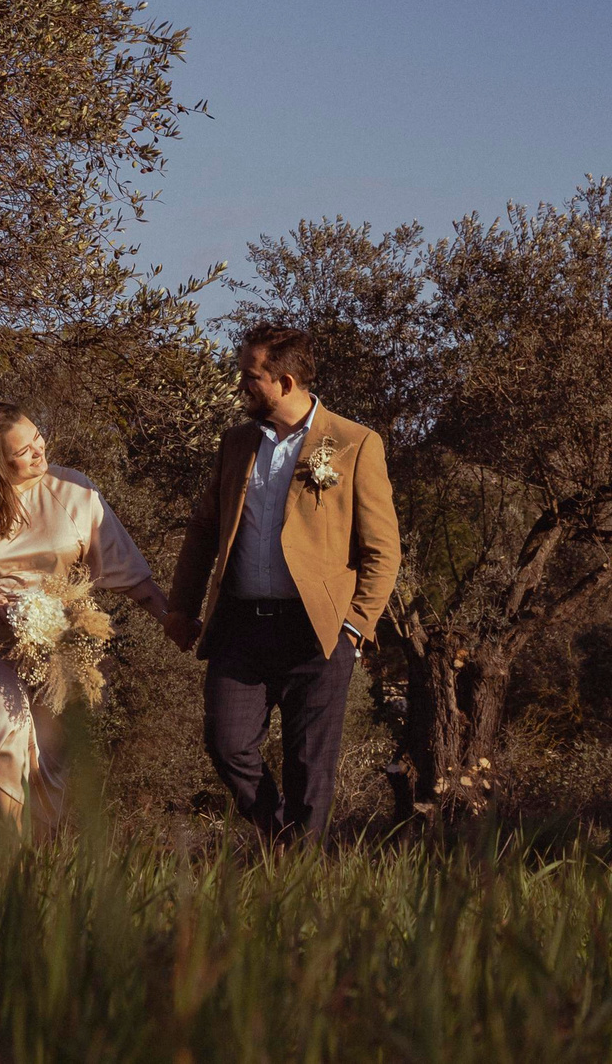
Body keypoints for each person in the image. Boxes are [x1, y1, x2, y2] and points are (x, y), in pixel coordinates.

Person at [168, 324, 400, 844]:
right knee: (227, 745)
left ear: (286, 382)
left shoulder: (355, 443)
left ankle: (300, 876)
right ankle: (282, 843)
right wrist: (181, 607)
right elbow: (204, 529)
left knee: (309, 771)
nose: (240, 385)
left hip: (317, 632)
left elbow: (383, 550)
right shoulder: (236, 443)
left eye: (250, 376)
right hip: (240, 627)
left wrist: (354, 627)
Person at [0, 400, 191, 835]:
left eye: (38, 438)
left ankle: (42, 857)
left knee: (49, 763)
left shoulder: (74, 491)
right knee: (4, 724)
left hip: (63, 648)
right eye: (23, 451)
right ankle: (14, 849)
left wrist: (169, 618)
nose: (38, 451)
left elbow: (127, 570)